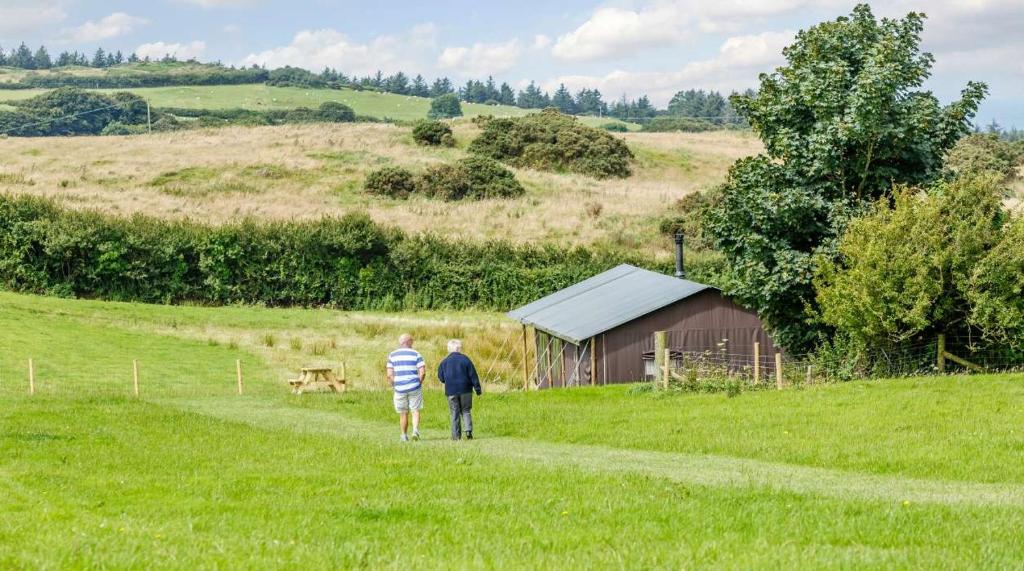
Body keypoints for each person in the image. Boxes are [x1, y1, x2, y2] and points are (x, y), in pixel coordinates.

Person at [437, 339, 481, 441]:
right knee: (466, 410)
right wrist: (478, 389)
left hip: (451, 390)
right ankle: (468, 431)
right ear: (459, 348)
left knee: (454, 412)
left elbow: (440, 377)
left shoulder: (444, 362)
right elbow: (473, 375)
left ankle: (456, 436)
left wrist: (447, 381)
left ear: (449, 349)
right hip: (466, 390)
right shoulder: (466, 359)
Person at [387, 333, 426, 442]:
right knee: (415, 410)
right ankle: (415, 431)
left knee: (403, 413)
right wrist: (419, 383)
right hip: (414, 386)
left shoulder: (392, 355)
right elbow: (422, 372)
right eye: (412, 341)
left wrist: (395, 384)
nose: (413, 343)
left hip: (399, 388)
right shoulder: (416, 354)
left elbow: (389, 374)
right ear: (407, 342)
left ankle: (404, 435)